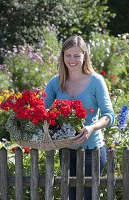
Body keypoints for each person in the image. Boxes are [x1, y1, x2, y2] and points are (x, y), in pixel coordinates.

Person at [44, 35, 115, 200]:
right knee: (71, 195)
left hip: (92, 151)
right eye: (68, 55)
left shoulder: (96, 81)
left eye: (77, 55)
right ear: (62, 56)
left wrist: (92, 127)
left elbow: (109, 115)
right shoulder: (56, 82)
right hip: (66, 150)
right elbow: (41, 110)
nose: (72, 60)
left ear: (85, 56)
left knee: (89, 196)